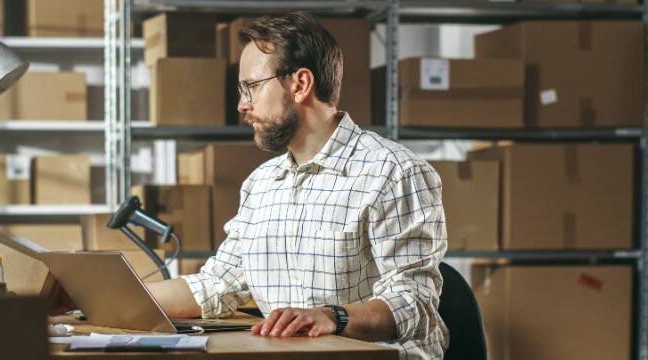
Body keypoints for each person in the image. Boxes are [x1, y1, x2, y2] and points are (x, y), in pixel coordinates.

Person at [145, 11, 448, 359]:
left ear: (300, 84)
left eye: (251, 87)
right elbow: (219, 283)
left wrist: (331, 317)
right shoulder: (262, 184)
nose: (243, 104)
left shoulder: (394, 172)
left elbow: (414, 302)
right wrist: (106, 299)